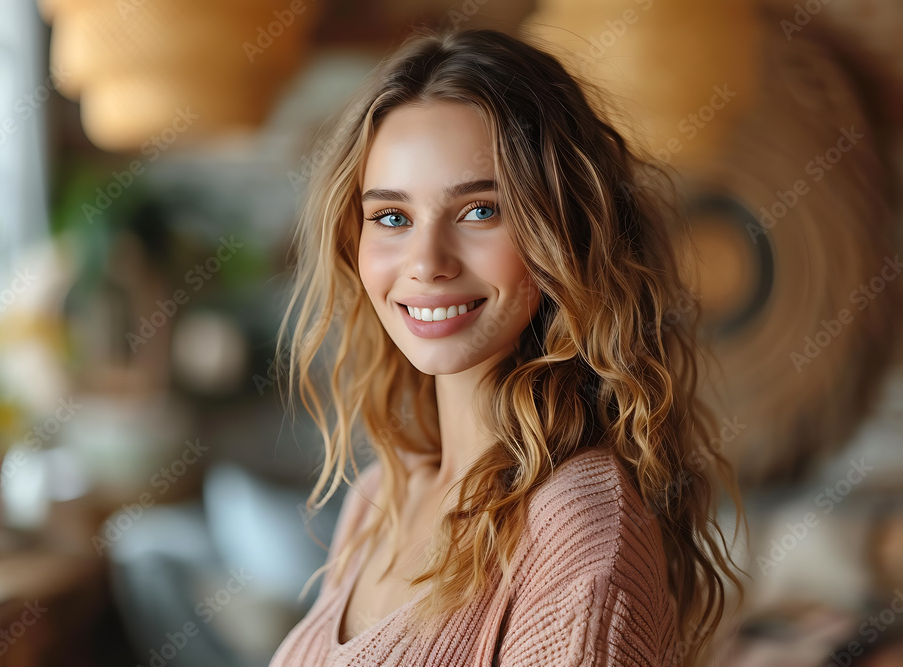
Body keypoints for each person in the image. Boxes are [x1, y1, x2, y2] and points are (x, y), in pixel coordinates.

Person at [269, 26, 745, 667]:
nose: (427, 263)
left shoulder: (579, 531)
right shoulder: (378, 498)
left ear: (562, 235)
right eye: (392, 217)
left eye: (478, 211)